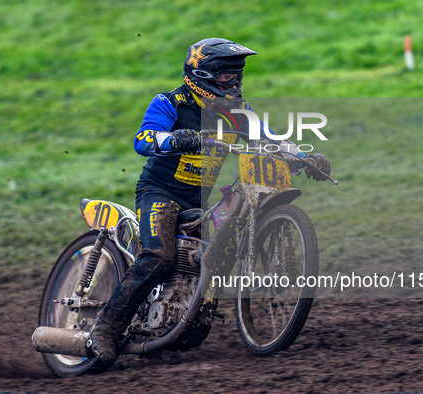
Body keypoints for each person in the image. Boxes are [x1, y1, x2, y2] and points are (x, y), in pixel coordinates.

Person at [88, 38, 331, 367]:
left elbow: (275, 140)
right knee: (159, 255)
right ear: (199, 75)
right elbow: (143, 138)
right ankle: (105, 328)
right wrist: (173, 138)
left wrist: (306, 159)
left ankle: (181, 314)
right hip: (160, 192)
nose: (233, 84)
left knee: (215, 253)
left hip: (199, 200)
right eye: (225, 78)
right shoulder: (170, 103)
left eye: (237, 76)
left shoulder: (239, 113)